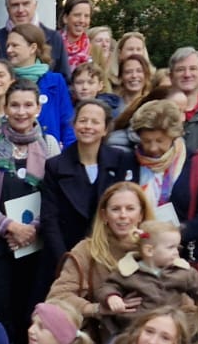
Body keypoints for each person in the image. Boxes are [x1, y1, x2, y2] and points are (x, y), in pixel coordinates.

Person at [0, 80, 62, 344]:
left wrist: (31, 229)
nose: (21, 111)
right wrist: (10, 227)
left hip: (37, 248)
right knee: (0, 318)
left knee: (30, 315)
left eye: (28, 105)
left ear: (38, 108)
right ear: (5, 108)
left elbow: (56, 196)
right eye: (15, 105)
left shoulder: (50, 146)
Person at [38, 99, 136, 283]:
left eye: (95, 121)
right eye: (83, 120)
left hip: (110, 255)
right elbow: (49, 219)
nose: (88, 126)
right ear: (74, 125)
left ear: (106, 128)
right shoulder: (55, 166)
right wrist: (65, 259)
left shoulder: (121, 160)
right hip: (66, 254)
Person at [47, 181, 157, 331]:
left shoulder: (157, 249)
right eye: (116, 209)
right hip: (100, 342)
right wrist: (96, 309)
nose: (123, 215)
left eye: (130, 209)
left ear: (141, 215)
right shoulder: (86, 250)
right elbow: (57, 298)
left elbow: (185, 304)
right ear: (104, 215)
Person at [128, 99, 198, 273]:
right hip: (138, 257)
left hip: (184, 258)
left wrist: (172, 237)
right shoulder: (128, 163)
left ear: (173, 135)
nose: (153, 148)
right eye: (147, 141)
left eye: (160, 140)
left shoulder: (197, 162)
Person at [94, 220, 198, 340]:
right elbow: (107, 286)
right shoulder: (128, 271)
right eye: (171, 248)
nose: (176, 253)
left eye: (177, 247)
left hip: (171, 329)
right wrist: (112, 297)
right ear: (149, 250)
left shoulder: (182, 271)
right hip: (135, 331)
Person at [3, 24, 74, 147]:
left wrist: (68, 158)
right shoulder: (5, 81)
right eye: (8, 46)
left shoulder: (56, 81)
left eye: (14, 45)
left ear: (32, 48)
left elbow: (67, 124)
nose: (9, 50)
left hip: (50, 156)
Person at [59, 0, 94, 71]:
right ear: (65, 18)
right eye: (77, 15)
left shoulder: (93, 50)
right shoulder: (53, 44)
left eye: (86, 16)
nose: (82, 20)